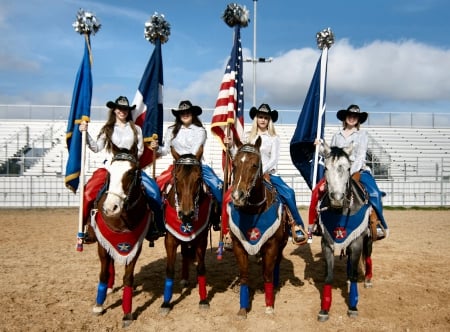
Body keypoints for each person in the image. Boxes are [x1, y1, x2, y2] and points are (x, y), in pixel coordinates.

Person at [79, 96, 165, 244]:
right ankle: (87, 228)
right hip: (111, 168)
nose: (122, 111)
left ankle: (155, 227)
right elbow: (96, 147)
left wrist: (128, 162)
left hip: (130, 168)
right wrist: (85, 134)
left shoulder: (136, 129)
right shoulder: (107, 128)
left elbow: (139, 151)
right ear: (114, 110)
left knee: (154, 193)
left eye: (125, 109)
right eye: (119, 109)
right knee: (88, 193)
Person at [225, 103, 306, 244]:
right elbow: (238, 156)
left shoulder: (274, 138)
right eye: (260, 117)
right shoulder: (247, 136)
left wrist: (260, 172)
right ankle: (227, 230)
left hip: (269, 173)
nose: (262, 120)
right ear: (256, 119)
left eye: (265, 118)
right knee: (228, 196)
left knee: (289, 193)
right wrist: (230, 146)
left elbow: (274, 159)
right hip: (248, 175)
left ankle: (297, 226)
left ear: (269, 120)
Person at [309, 104, 388, 239]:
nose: (352, 118)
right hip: (338, 173)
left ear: (358, 119)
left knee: (374, 193)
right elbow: (331, 155)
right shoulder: (336, 135)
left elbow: (361, 156)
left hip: (358, 170)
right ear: (345, 118)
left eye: (355, 116)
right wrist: (320, 146)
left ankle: (378, 223)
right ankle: (315, 223)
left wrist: (350, 172)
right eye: (350, 115)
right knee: (318, 191)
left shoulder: (362, 135)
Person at [153, 100, 223, 230]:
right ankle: (157, 222)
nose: (185, 114)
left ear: (193, 114)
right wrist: (156, 148)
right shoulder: (171, 130)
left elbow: (195, 150)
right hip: (177, 167)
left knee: (218, 187)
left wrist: (182, 160)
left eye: (188, 112)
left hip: (196, 166)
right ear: (178, 115)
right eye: (182, 112)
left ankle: (216, 219)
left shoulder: (200, 130)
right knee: (156, 187)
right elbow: (165, 150)